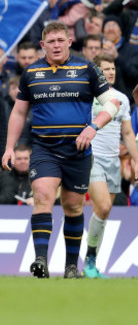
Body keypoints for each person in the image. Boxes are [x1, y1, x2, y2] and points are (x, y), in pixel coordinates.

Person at [1, 21, 121, 279]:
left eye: (60, 40)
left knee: (73, 206)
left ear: (69, 42)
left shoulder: (87, 69)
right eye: (50, 42)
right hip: (44, 148)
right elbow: (19, 111)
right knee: (43, 195)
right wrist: (9, 147)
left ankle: (70, 267)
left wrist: (93, 127)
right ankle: (40, 261)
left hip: (78, 150)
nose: (56, 45)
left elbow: (112, 103)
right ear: (42, 45)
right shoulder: (31, 73)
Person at [83, 54, 138, 278]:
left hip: (113, 161)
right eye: (105, 69)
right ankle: (86, 259)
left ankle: (91, 260)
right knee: (103, 206)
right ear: (96, 72)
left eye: (113, 68)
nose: (111, 72)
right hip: (91, 158)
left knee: (102, 214)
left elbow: (127, 133)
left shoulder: (122, 99)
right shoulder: (87, 97)